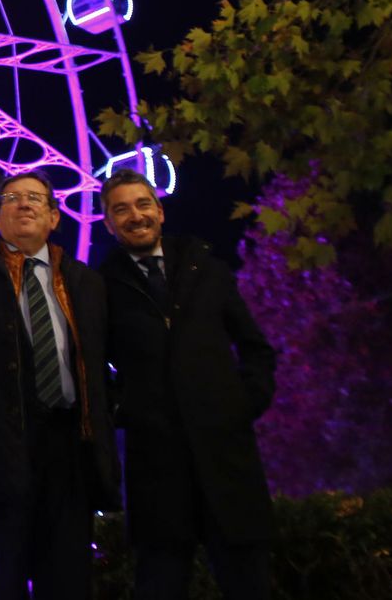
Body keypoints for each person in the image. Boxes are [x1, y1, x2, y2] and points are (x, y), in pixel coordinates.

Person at [98, 170, 276, 600]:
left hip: (225, 459)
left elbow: (255, 347)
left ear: (160, 210)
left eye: (142, 204)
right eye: (121, 209)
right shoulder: (100, 287)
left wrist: (240, 405)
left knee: (247, 582)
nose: (135, 216)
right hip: (156, 467)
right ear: (108, 223)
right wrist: (126, 410)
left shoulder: (207, 270)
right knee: (160, 582)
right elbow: (90, 365)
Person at [0, 171, 118, 600]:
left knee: (68, 580)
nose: (24, 204)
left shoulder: (87, 284)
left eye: (35, 198)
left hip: (69, 451)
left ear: (55, 217)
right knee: (1, 580)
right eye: (12, 198)